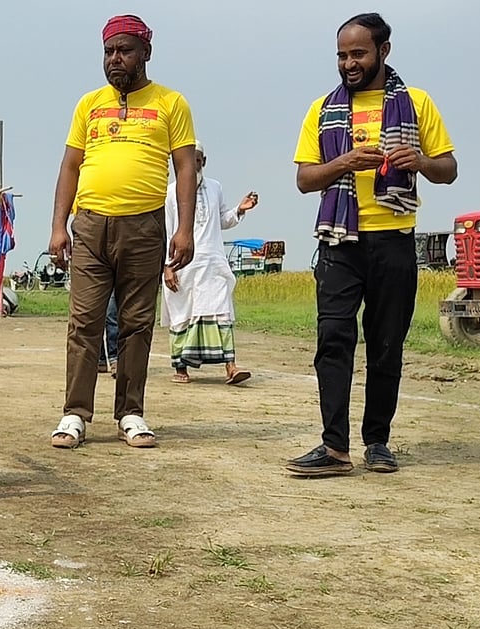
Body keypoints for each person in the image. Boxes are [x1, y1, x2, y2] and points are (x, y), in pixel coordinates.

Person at [286, 13, 456, 477]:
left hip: (395, 241)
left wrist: (419, 161)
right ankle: (334, 447)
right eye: (342, 55)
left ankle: (377, 442)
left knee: (386, 345)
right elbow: (304, 179)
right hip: (341, 243)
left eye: (358, 53)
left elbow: (449, 168)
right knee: (333, 339)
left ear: (384, 50)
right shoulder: (323, 109)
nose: (348, 63)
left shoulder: (416, 103)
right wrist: (343, 162)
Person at [48, 14, 197, 451]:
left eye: (124, 50)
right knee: (85, 322)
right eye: (109, 51)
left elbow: (185, 166)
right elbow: (71, 165)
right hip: (91, 224)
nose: (115, 59)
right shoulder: (89, 104)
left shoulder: (171, 103)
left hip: (145, 225)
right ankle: (75, 414)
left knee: (136, 323)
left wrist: (183, 229)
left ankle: (130, 412)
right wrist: (59, 226)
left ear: (145, 53)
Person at [163, 141, 259, 385]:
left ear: (203, 162)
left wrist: (239, 209)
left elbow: (222, 220)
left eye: (196, 159)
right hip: (183, 264)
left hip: (213, 261)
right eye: (186, 159)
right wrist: (167, 266)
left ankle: (231, 367)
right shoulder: (171, 192)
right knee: (183, 314)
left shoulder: (215, 188)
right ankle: (181, 367)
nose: (192, 164)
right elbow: (166, 230)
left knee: (222, 311)